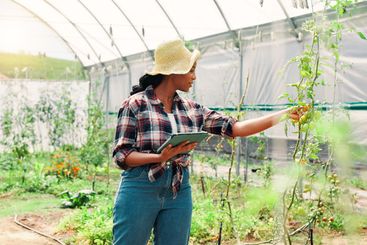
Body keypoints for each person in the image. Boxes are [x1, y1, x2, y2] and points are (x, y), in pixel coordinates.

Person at [112, 39, 304, 245]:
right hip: (140, 187)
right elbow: (122, 155)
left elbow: (235, 128)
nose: (194, 77)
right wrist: (160, 156)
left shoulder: (191, 109)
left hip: (178, 189)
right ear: (173, 71)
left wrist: (284, 114)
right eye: (191, 70)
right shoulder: (135, 104)